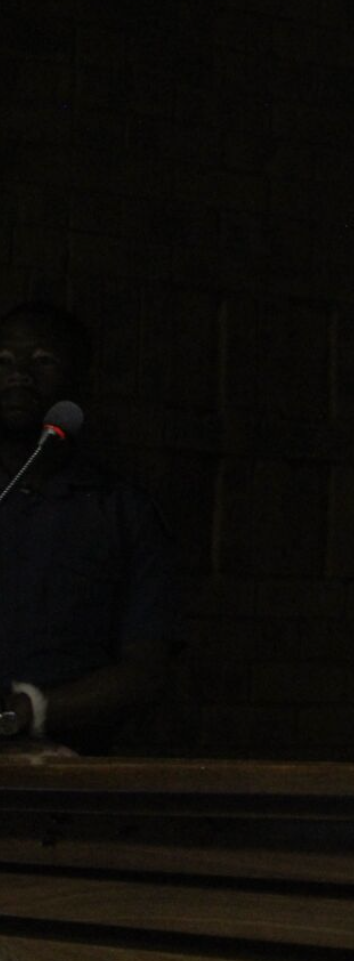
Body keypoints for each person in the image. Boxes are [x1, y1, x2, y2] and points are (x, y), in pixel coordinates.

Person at [0, 301, 180, 756]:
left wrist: (34, 711)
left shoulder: (122, 511)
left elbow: (146, 668)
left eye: (42, 361)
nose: (18, 374)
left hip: (72, 767)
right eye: (2, 361)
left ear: (77, 380)